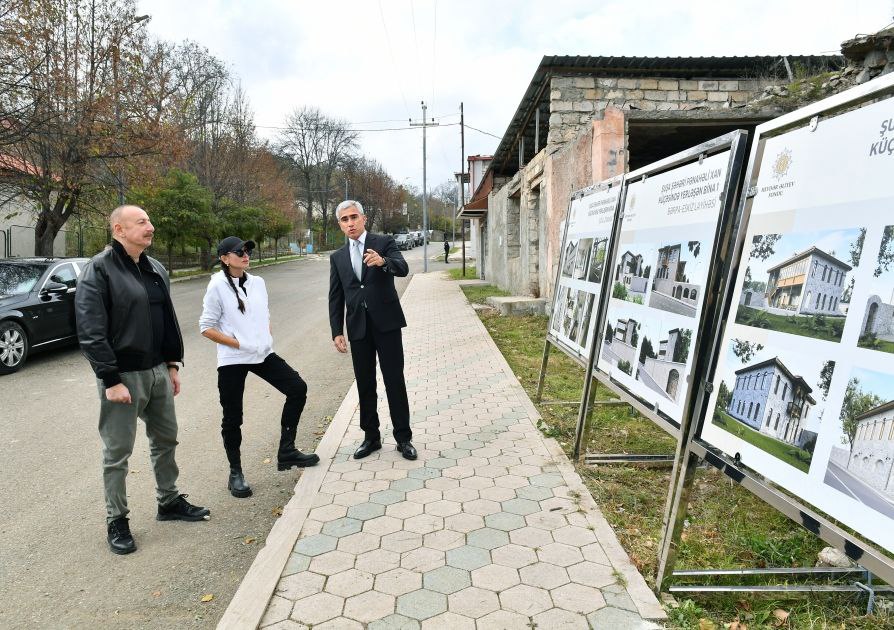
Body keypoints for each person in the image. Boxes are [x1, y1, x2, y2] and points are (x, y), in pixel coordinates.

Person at [75, 205, 210, 556]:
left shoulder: (155, 269)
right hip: (123, 376)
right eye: (142, 222)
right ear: (119, 229)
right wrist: (110, 379)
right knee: (117, 452)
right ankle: (116, 520)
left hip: (158, 372)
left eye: (150, 220)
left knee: (166, 439)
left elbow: (166, 319)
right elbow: (91, 331)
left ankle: (169, 502)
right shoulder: (99, 269)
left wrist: (172, 364)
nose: (151, 226)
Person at [199, 236, 319, 498]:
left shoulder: (258, 283)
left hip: (263, 354)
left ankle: (287, 450)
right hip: (233, 358)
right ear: (224, 258)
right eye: (239, 252)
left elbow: (263, 314)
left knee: (297, 388)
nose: (245, 255)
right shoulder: (217, 286)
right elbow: (206, 327)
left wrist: (264, 337)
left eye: (247, 251)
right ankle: (236, 473)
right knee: (233, 417)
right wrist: (238, 343)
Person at [329, 200, 416, 460]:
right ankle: (371, 438)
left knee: (394, 381)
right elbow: (336, 296)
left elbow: (403, 268)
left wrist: (383, 262)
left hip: (387, 324)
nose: (350, 223)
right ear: (340, 225)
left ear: (364, 219)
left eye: (354, 217)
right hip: (358, 327)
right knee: (365, 384)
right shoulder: (338, 257)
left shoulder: (383, 242)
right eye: (345, 219)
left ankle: (403, 438)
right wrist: (337, 330)